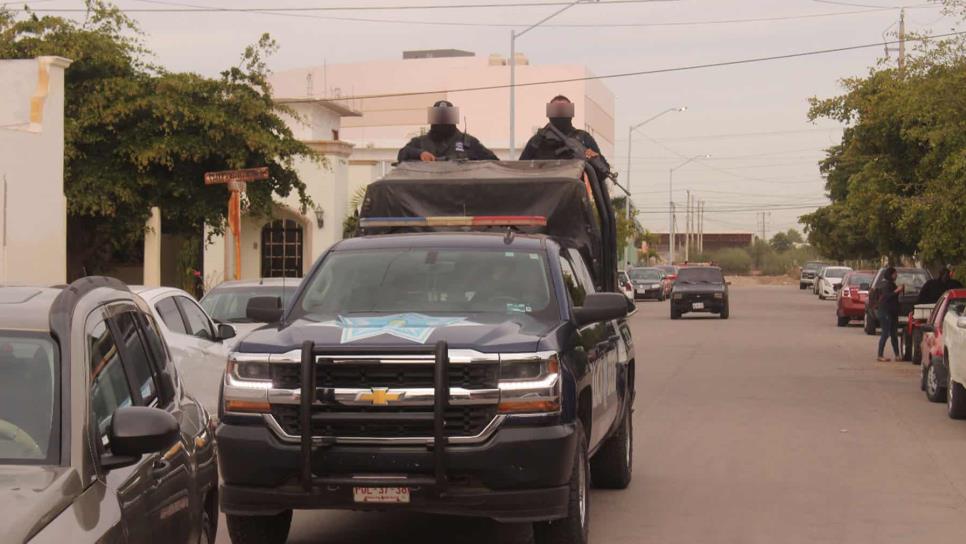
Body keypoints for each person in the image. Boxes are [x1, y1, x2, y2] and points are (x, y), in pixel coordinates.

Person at [519, 95, 611, 177]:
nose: (560, 114)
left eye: (563, 110)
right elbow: (519, 171)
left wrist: (585, 160)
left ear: (571, 113)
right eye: (556, 110)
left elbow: (601, 171)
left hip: (575, 193)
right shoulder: (537, 141)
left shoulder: (583, 139)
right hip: (544, 194)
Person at [397, 100, 498, 162]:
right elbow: (402, 154)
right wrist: (420, 153)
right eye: (438, 116)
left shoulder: (469, 143)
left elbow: (494, 162)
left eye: (446, 116)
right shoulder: (419, 142)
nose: (442, 121)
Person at [876, 266, 904, 362]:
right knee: (885, 333)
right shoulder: (886, 285)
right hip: (885, 312)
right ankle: (880, 355)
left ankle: (897, 355)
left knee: (894, 334)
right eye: (895, 273)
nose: (896, 275)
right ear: (891, 274)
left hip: (893, 312)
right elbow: (887, 296)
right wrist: (897, 290)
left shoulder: (892, 284)